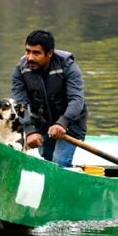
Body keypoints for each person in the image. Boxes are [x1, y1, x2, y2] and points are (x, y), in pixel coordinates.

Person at [11, 29, 87, 168]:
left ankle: (64, 175)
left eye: (36, 53)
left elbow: (77, 100)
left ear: (50, 53)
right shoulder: (20, 70)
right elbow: (19, 103)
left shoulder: (69, 67)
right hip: (42, 124)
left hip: (70, 123)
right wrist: (29, 130)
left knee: (59, 163)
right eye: (28, 51)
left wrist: (62, 123)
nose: (30, 57)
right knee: (47, 162)